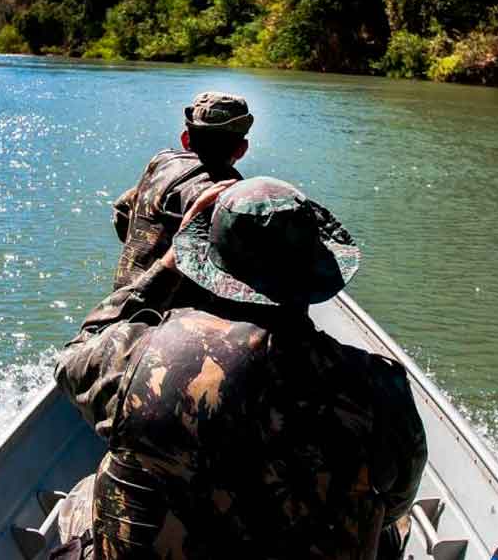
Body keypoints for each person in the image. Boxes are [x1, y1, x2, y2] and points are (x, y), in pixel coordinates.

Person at [55, 177, 427, 559]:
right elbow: (397, 499)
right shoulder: (379, 388)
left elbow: (75, 357)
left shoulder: (139, 358)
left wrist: (165, 267)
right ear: (316, 273)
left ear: (205, 266)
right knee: (393, 524)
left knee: (83, 497)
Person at [111, 91, 253, 291]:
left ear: (185, 139)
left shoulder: (163, 161)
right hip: (167, 313)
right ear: (242, 149)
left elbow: (122, 211)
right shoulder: (225, 194)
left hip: (119, 300)